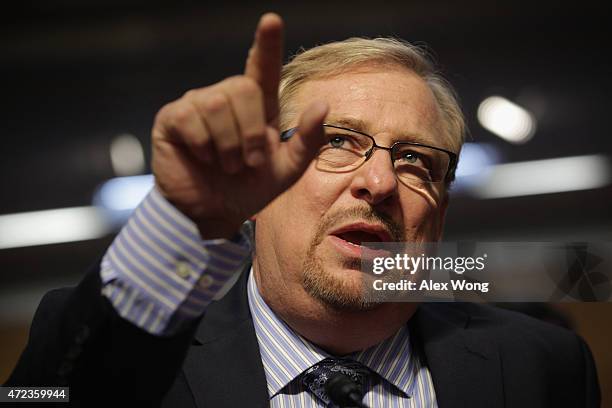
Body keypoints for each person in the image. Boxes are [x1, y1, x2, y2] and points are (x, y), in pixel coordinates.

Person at [7, 13, 600, 407]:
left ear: (439, 210)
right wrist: (178, 226)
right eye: (336, 142)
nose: (379, 180)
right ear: (258, 188)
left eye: (417, 159)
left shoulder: (540, 366)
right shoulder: (132, 361)